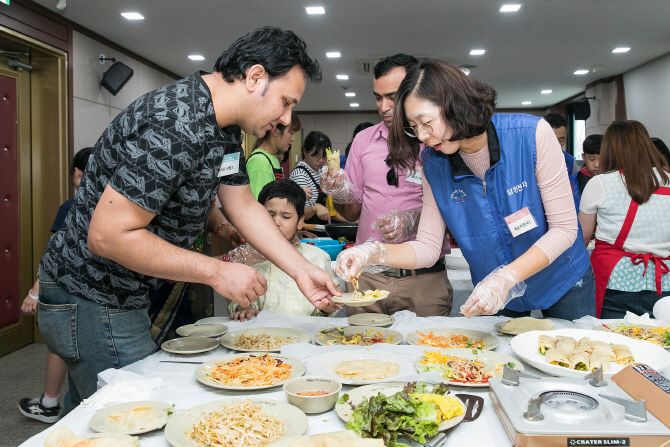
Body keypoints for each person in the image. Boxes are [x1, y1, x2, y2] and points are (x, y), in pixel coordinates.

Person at [37, 27, 340, 415]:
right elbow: (108, 236)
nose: (286, 118)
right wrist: (217, 272)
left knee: (89, 418)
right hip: (92, 296)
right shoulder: (174, 122)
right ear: (254, 77)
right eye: (285, 102)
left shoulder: (225, 127)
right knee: (138, 416)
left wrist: (299, 270)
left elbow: (242, 204)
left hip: (121, 294)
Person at [335, 59, 595, 320]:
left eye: (426, 122)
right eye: (414, 128)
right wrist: (373, 252)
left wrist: (507, 276)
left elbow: (565, 228)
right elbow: (427, 247)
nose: (422, 136)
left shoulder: (531, 135)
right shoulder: (434, 164)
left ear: (454, 105)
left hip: (562, 278)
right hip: (493, 287)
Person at [322, 54, 453, 317]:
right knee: (361, 353)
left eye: (393, 97)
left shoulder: (437, 140)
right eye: (378, 97)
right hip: (368, 277)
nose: (383, 106)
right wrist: (339, 193)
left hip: (423, 279)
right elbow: (351, 214)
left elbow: (460, 211)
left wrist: (413, 221)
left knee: (427, 353)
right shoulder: (363, 141)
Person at [18, 147, 92, 423]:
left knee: (60, 346)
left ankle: (49, 403)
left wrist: (35, 292)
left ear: (76, 174)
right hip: (100, 291)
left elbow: (55, 254)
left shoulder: (71, 208)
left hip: (68, 288)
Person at [578, 120, 670, 319]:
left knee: (614, 343)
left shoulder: (600, 183)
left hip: (615, 280)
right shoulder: (668, 181)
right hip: (663, 281)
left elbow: (582, 239)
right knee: (660, 343)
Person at [226, 180, 342, 320]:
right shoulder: (245, 257)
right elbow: (233, 298)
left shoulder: (317, 258)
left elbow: (329, 303)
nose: (276, 222)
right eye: (269, 215)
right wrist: (243, 308)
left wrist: (326, 308)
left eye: (285, 217)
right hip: (257, 335)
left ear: (300, 222)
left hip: (303, 334)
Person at [247, 112, 301, 198]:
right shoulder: (259, 161)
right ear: (275, 132)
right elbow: (260, 202)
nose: (293, 139)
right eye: (291, 133)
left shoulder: (272, 159)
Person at [289, 131, 332, 227]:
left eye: (324, 157)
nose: (321, 160)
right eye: (316, 156)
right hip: (308, 232)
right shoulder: (300, 174)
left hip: (321, 230)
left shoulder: (321, 171)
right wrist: (316, 208)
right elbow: (298, 212)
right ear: (305, 151)